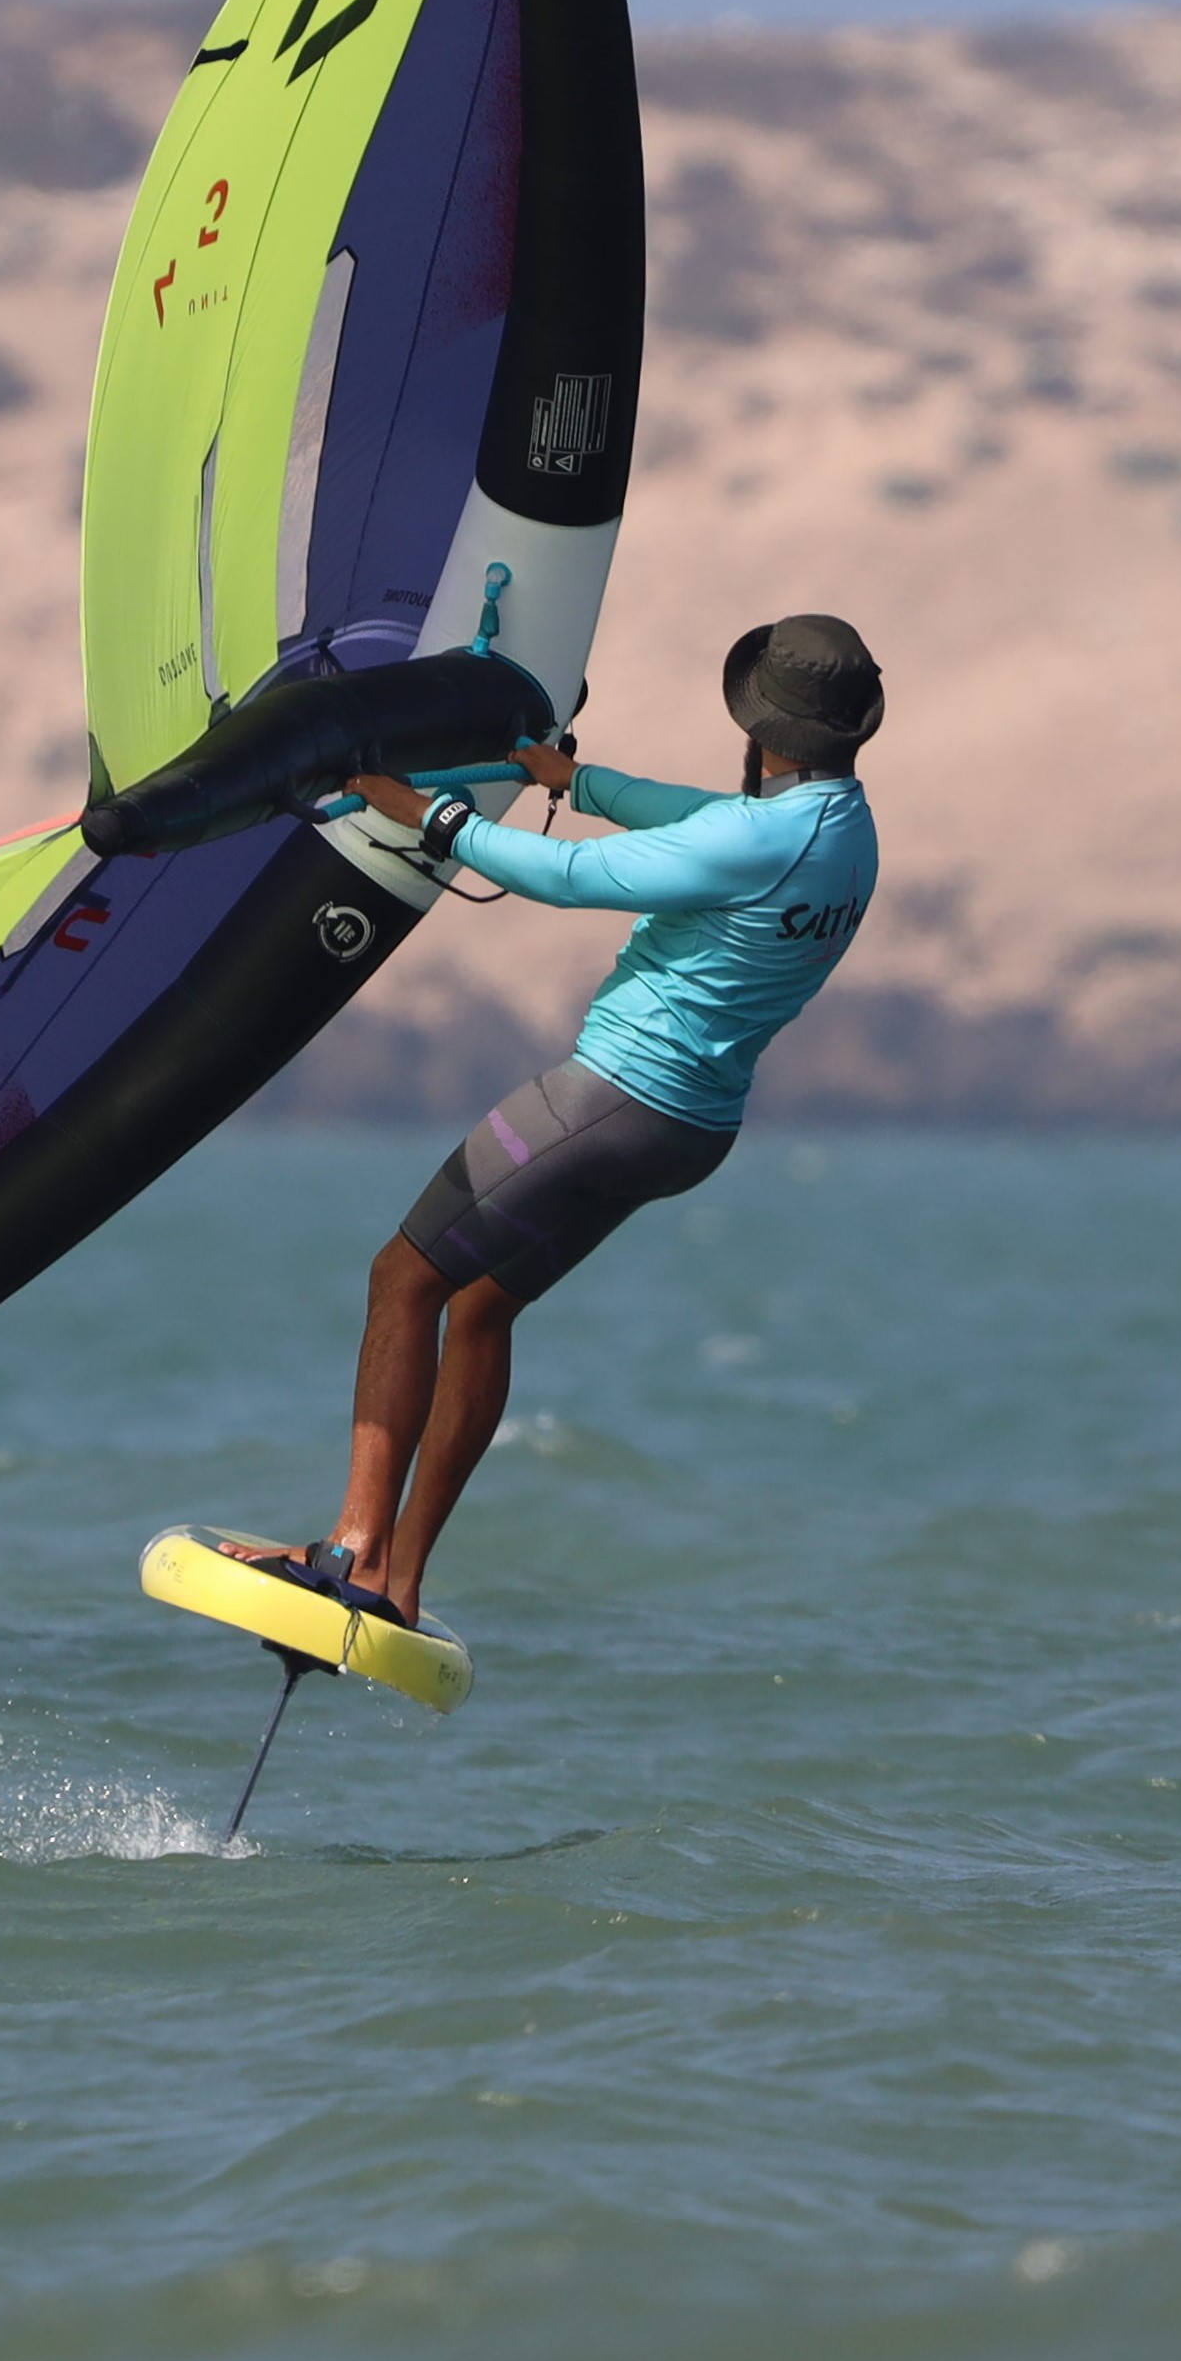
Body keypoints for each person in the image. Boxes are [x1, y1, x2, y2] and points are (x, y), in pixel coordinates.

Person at [305, 613, 887, 1625]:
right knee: (481, 1306)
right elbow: (695, 818)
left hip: (610, 1099)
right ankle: (398, 1585)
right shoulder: (841, 828)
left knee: (403, 1278)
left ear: (768, 728)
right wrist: (574, 780)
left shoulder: (761, 836)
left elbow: (573, 879)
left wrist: (428, 818)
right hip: (691, 1131)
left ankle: (352, 1551)